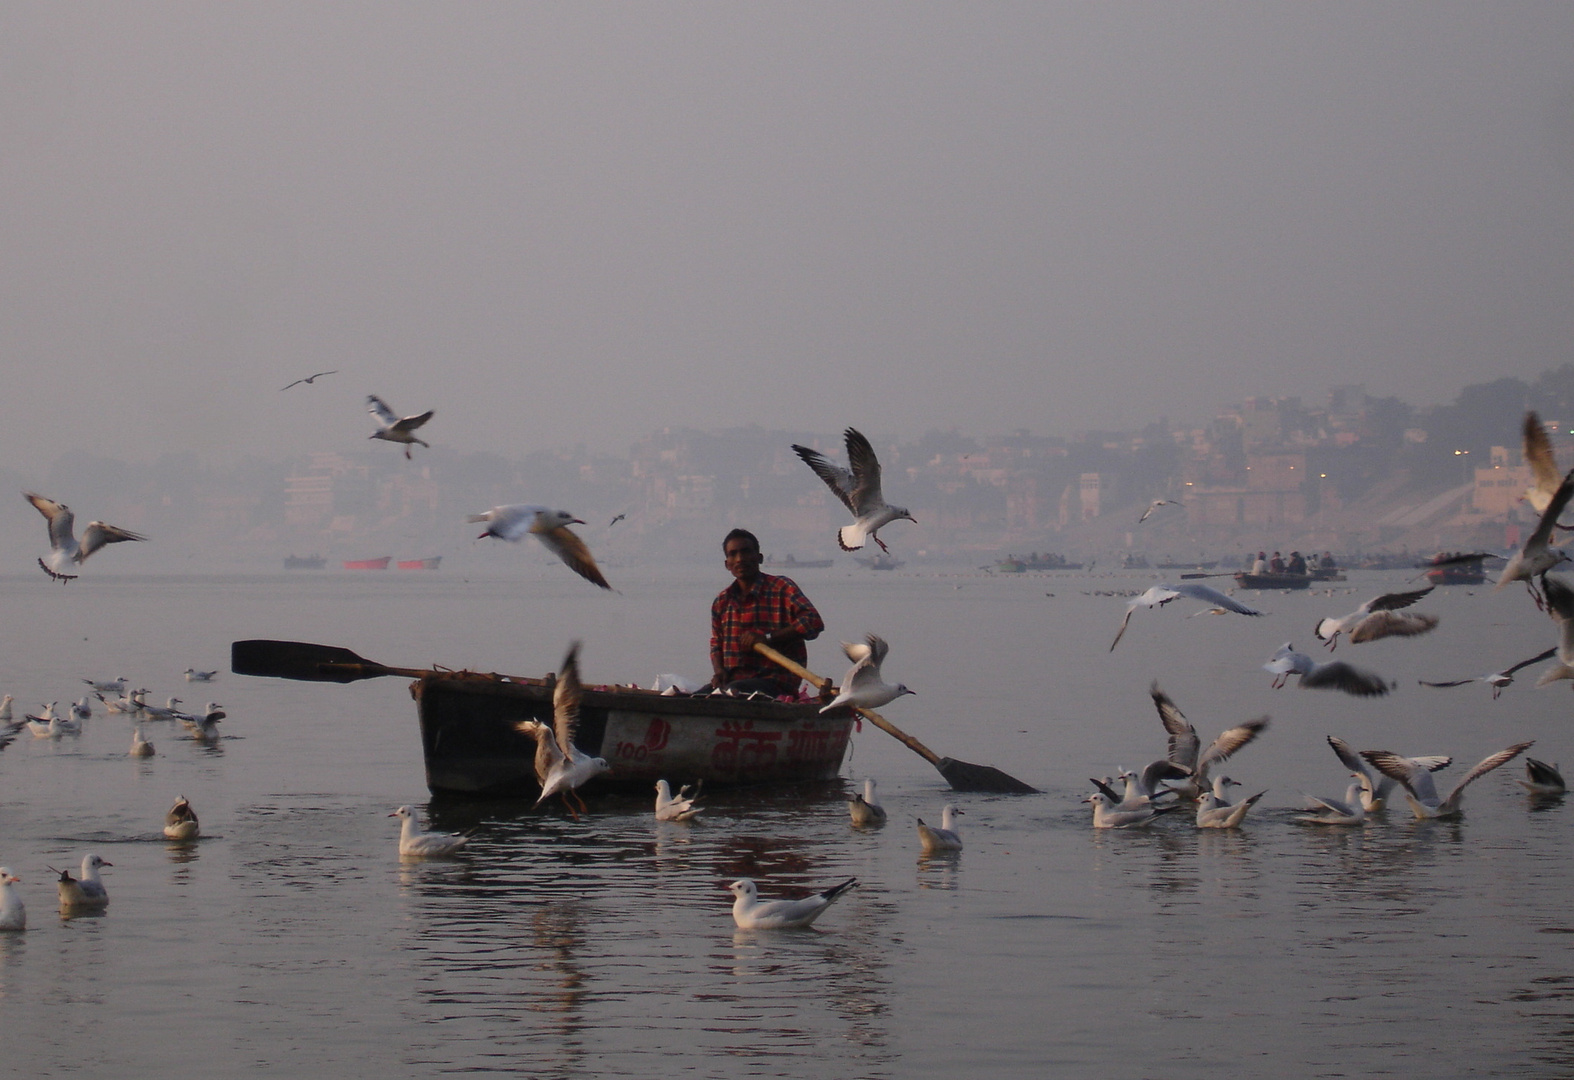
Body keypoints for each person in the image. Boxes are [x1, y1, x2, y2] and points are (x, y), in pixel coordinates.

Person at [708, 529, 825, 696]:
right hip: (733, 682)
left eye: (746, 552)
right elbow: (716, 643)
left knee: (732, 692)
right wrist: (719, 671)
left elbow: (813, 621)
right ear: (727, 564)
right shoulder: (722, 602)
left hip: (776, 682)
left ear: (759, 557)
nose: (740, 559)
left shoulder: (782, 588)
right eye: (733, 554)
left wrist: (769, 638)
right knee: (687, 698)